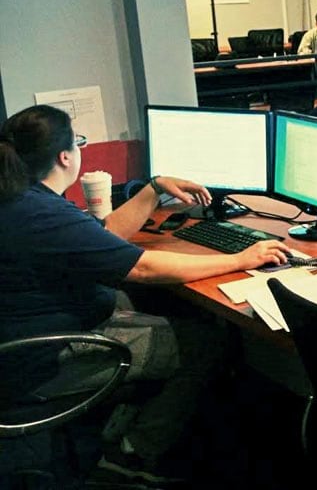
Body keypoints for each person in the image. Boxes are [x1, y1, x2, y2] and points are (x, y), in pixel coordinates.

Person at [0, 105, 292, 483]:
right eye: (78, 142)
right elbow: (144, 268)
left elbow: (104, 235)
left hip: (29, 336)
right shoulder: (42, 214)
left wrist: (154, 188)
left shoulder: (22, 199)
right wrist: (241, 258)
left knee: (161, 306)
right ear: (65, 157)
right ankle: (132, 455)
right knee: (205, 342)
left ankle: (125, 424)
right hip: (42, 361)